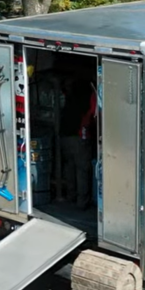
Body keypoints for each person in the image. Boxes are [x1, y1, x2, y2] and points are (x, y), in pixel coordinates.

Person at [59, 78, 97, 209]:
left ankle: (71, 196)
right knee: (82, 169)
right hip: (80, 135)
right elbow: (93, 114)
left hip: (65, 135)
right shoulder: (90, 95)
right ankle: (82, 202)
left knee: (69, 167)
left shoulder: (68, 96)